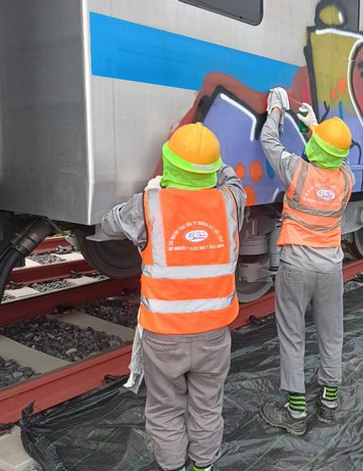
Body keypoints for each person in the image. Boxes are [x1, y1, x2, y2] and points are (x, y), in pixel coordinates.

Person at [100, 123, 246, 471]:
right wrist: (212, 159)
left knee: (165, 409)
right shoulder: (230, 201)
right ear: (212, 171)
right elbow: (231, 178)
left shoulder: (148, 206)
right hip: (214, 334)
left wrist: (153, 191)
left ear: (169, 164)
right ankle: (203, 467)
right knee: (207, 406)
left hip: (164, 336)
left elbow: (107, 225)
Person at [259, 87, 354, 436]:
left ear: (315, 149)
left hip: (296, 265)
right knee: (332, 332)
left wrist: (276, 110)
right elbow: (335, 156)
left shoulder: (296, 172)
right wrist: (316, 127)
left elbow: (269, 141)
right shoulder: (347, 180)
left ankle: (296, 412)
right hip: (330, 267)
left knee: (292, 333)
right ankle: (329, 403)